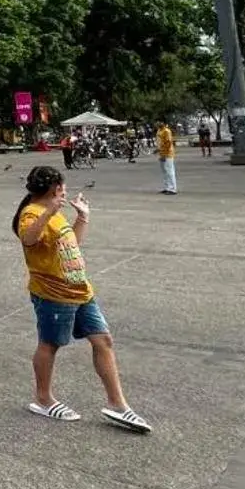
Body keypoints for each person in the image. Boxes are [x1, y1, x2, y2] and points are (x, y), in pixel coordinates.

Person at [14, 165, 150, 432]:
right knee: (50, 344)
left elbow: (71, 243)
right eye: (62, 188)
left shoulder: (56, 215)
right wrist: (49, 212)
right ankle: (43, 399)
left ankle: (117, 404)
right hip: (53, 294)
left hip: (80, 289)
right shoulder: (31, 213)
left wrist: (82, 217)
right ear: (56, 189)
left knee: (103, 340)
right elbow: (28, 239)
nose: (64, 192)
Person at [155, 120, 177, 195]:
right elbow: (160, 142)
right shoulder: (159, 130)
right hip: (161, 153)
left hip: (168, 154)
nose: (157, 123)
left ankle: (172, 189)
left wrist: (164, 154)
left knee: (170, 171)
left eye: (159, 122)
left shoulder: (166, 131)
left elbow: (168, 143)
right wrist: (158, 150)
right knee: (164, 171)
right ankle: (167, 187)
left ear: (163, 123)